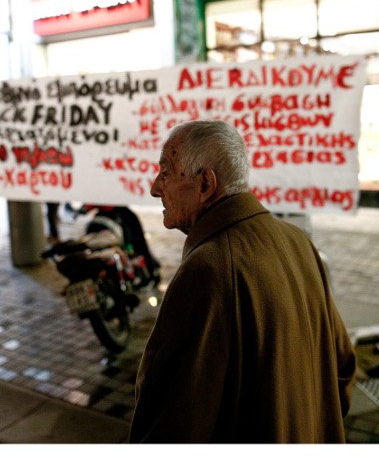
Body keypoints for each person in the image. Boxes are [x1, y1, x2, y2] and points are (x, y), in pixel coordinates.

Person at [129, 120, 357, 443]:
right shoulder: (298, 242)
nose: (154, 187)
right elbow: (344, 367)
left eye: (166, 172)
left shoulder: (207, 270)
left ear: (205, 184)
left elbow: (174, 425)